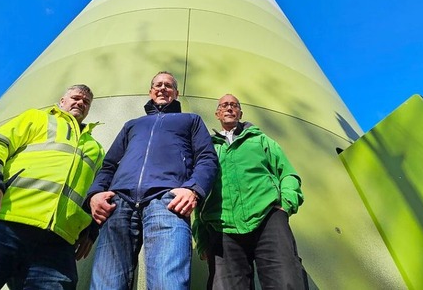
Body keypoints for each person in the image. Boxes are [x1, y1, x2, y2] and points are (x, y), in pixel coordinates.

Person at [0, 84, 104, 290]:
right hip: (2, 222)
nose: (80, 103)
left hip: (58, 243)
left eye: (85, 102)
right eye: (75, 98)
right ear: (62, 101)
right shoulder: (37, 118)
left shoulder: (96, 148)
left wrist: (90, 229)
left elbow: (97, 188)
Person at [87, 71, 218, 290]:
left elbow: (207, 158)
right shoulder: (133, 124)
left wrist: (193, 189)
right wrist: (95, 193)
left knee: (168, 282)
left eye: (168, 85)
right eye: (158, 85)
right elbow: (109, 164)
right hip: (119, 203)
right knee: (106, 284)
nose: (163, 88)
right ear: (150, 91)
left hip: (167, 200)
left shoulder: (190, 120)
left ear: (176, 93)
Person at [193, 94, 306, 290]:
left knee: (286, 281)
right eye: (224, 105)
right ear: (217, 113)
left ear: (240, 112)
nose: (229, 108)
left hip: (267, 219)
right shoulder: (207, 148)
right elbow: (198, 194)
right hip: (222, 227)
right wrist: (202, 240)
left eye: (234, 105)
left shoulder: (261, 140)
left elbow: (287, 174)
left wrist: (285, 204)